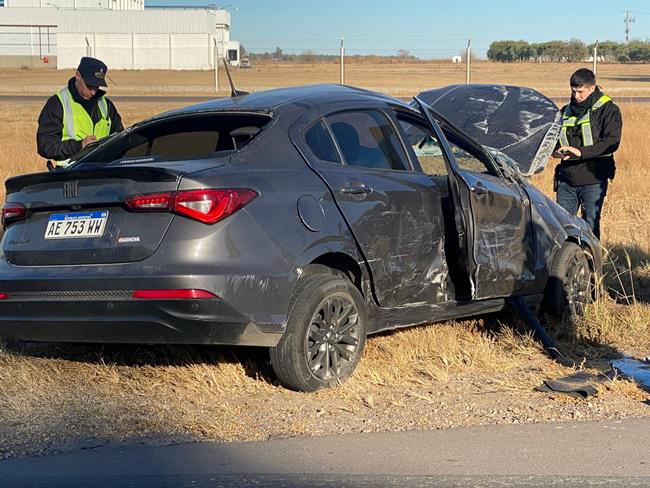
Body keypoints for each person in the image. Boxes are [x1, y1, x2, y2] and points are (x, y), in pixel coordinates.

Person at [553, 68, 622, 240]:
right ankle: (568, 264)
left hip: (593, 179)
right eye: (573, 91)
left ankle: (592, 264)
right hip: (566, 180)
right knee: (562, 226)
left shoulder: (608, 109)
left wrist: (580, 152)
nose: (576, 96)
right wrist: (555, 152)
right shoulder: (564, 111)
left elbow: (611, 142)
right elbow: (553, 140)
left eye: (580, 92)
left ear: (592, 88)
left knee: (590, 226)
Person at [37, 56, 123, 169]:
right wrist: (79, 145)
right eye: (89, 85)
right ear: (78, 76)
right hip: (69, 175)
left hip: (102, 175)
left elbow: (120, 140)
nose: (93, 92)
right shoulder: (58, 103)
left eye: (96, 86)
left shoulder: (107, 105)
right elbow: (46, 146)